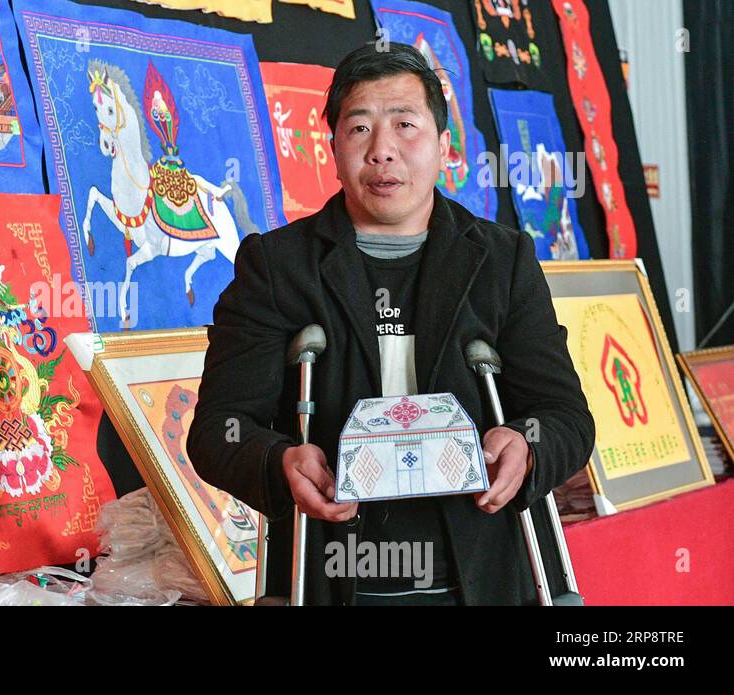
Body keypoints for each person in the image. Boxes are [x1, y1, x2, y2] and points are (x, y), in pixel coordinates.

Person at [187, 43, 595, 606]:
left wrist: (526, 446)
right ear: (331, 147)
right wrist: (278, 461)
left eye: (405, 125)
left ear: (444, 146)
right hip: (335, 573)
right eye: (359, 129)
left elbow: (566, 416)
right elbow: (219, 429)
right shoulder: (276, 267)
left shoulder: (503, 262)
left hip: (481, 575)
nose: (382, 151)